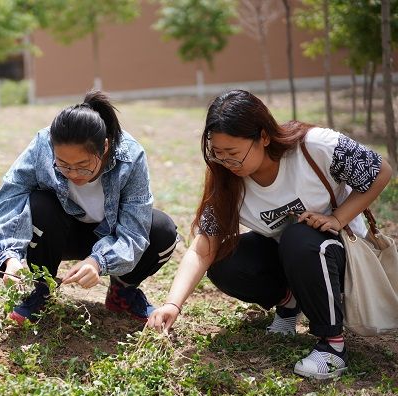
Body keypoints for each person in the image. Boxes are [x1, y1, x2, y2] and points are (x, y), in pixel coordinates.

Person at [147, 89, 392, 379]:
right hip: (289, 258)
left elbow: (380, 171)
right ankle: (288, 303)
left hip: (334, 254)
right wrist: (173, 304)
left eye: (234, 153)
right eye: (218, 153)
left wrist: (338, 218)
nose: (226, 162)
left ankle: (332, 348)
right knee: (224, 261)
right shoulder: (227, 181)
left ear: (263, 137)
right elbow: (203, 248)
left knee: (299, 237)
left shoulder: (314, 147)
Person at [0, 90, 179, 325]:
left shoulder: (131, 156)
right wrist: (8, 257)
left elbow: (134, 230)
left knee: (162, 230)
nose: (73, 174)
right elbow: (10, 197)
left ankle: (123, 291)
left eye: (83, 165)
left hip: (108, 235)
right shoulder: (42, 145)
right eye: (63, 165)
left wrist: (98, 261)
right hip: (58, 234)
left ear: (104, 147)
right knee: (39, 204)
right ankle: (38, 289)